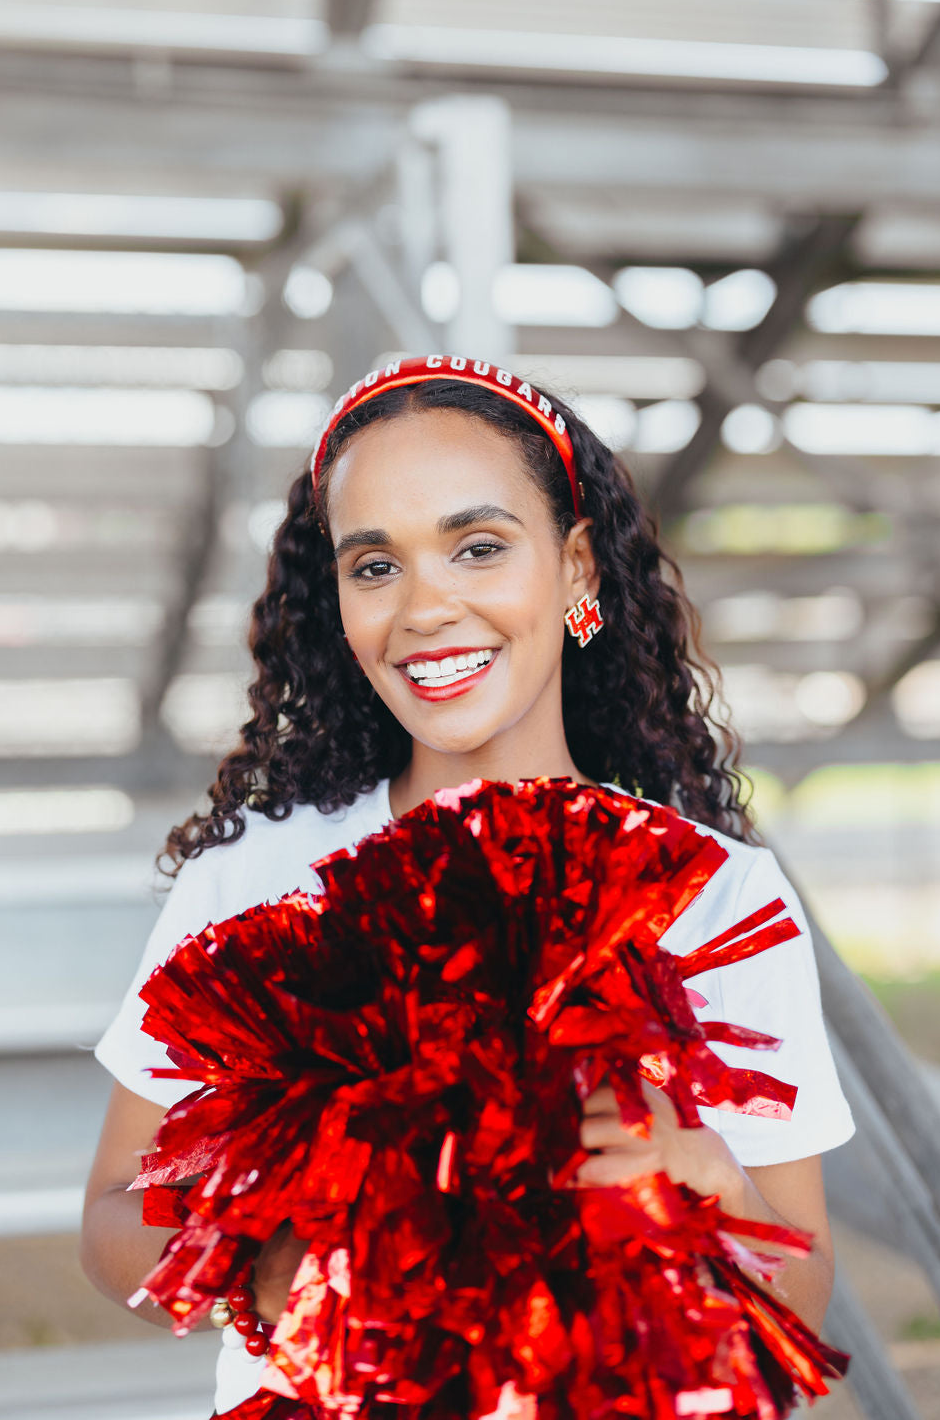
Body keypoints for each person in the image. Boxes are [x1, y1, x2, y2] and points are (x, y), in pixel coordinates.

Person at [81, 354, 854, 1416]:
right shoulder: (249, 877)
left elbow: (799, 1293)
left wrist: (706, 1182)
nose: (426, 606)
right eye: (374, 565)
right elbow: (111, 1215)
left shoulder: (719, 897)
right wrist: (277, 1260)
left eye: (477, 546)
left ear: (577, 569)